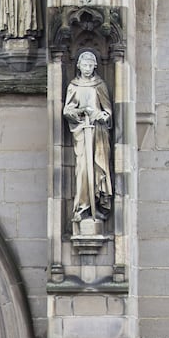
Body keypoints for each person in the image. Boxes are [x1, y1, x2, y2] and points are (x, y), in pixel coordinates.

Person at [64, 50, 114, 222]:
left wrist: (102, 116)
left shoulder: (99, 85)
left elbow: (107, 110)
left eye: (90, 65)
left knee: (97, 169)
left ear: (95, 66)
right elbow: (67, 110)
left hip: (98, 133)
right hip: (82, 132)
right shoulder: (74, 86)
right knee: (83, 170)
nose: (87, 68)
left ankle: (97, 205)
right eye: (84, 65)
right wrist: (80, 111)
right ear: (78, 66)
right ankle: (83, 207)